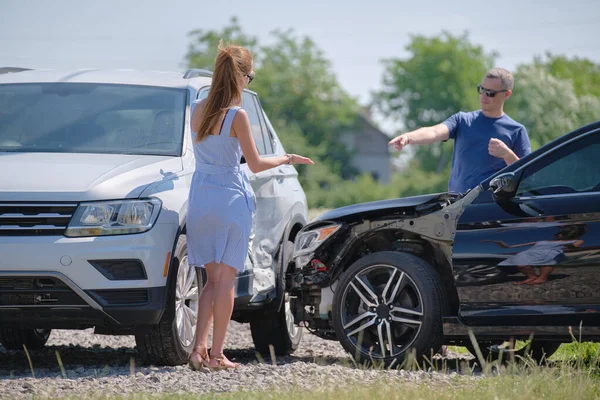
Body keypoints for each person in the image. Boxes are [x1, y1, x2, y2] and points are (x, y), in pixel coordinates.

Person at [186, 41, 314, 371]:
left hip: (200, 198)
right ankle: (216, 355)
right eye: (250, 77)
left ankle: (197, 350)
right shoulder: (237, 115)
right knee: (226, 282)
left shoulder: (195, 108)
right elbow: (254, 164)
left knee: (209, 281)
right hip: (229, 199)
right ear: (241, 76)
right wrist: (287, 157)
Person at [388, 68, 531, 194]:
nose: (483, 96)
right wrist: (408, 137)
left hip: (490, 209)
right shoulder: (462, 120)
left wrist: (507, 154)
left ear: (507, 94)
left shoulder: (516, 131)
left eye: (490, 93)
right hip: (456, 207)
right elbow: (435, 132)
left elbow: (527, 177)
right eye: (481, 89)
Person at [482, 224, 585, 285]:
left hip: (550, 255)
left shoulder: (572, 241)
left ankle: (542, 278)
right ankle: (531, 276)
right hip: (532, 255)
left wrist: (571, 243)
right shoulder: (545, 241)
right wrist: (498, 242)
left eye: (564, 234)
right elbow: (510, 247)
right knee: (521, 264)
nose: (560, 235)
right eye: (561, 233)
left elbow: (576, 244)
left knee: (547, 262)